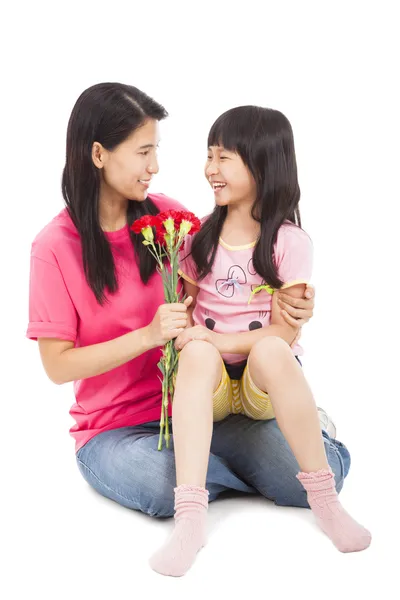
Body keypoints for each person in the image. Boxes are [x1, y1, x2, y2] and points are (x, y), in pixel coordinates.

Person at [27, 82, 332, 572]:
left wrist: (292, 309)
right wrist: (147, 336)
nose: (155, 167)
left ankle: (275, 449)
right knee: (157, 483)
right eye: (144, 152)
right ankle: (264, 454)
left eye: (157, 151)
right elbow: (57, 366)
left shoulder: (169, 219)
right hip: (116, 431)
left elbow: (236, 277)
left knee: (327, 473)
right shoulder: (54, 247)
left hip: (197, 406)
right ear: (99, 154)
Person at [149, 106, 370, 577]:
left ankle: (324, 499)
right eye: (209, 155)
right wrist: (188, 335)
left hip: (257, 384)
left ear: (263, 163)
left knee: (271, 348)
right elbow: (186, 316)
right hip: (209, 386)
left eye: (224, 157)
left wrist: (215, 335)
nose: (211, 168)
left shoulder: (290, 242)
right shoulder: (199, 240)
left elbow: (285, 333)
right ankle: (191, 517)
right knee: (198, 352)